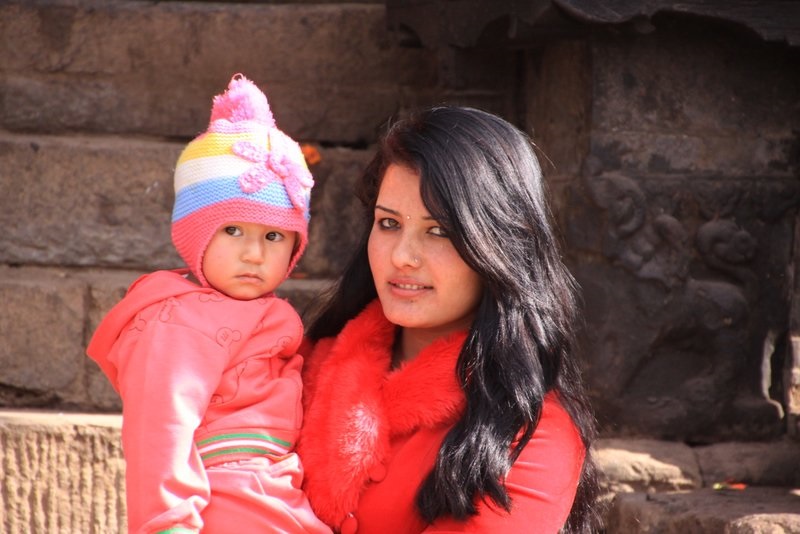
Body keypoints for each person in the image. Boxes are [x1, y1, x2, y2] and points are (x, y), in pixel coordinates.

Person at [297, 106, 599, 534]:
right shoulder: (300, 368)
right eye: (388, 223)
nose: (402, 256)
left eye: (438, 231)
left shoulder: (532, 434)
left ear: (498, 245)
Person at [87, 74, 331, 534]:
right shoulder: (180, 318)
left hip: (281, 490)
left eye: (274, 236)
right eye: (232, 230)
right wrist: (169, 522)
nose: (253, 253)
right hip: (223, 494)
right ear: (196, 234)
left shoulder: (271, 313)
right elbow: (160, 425)